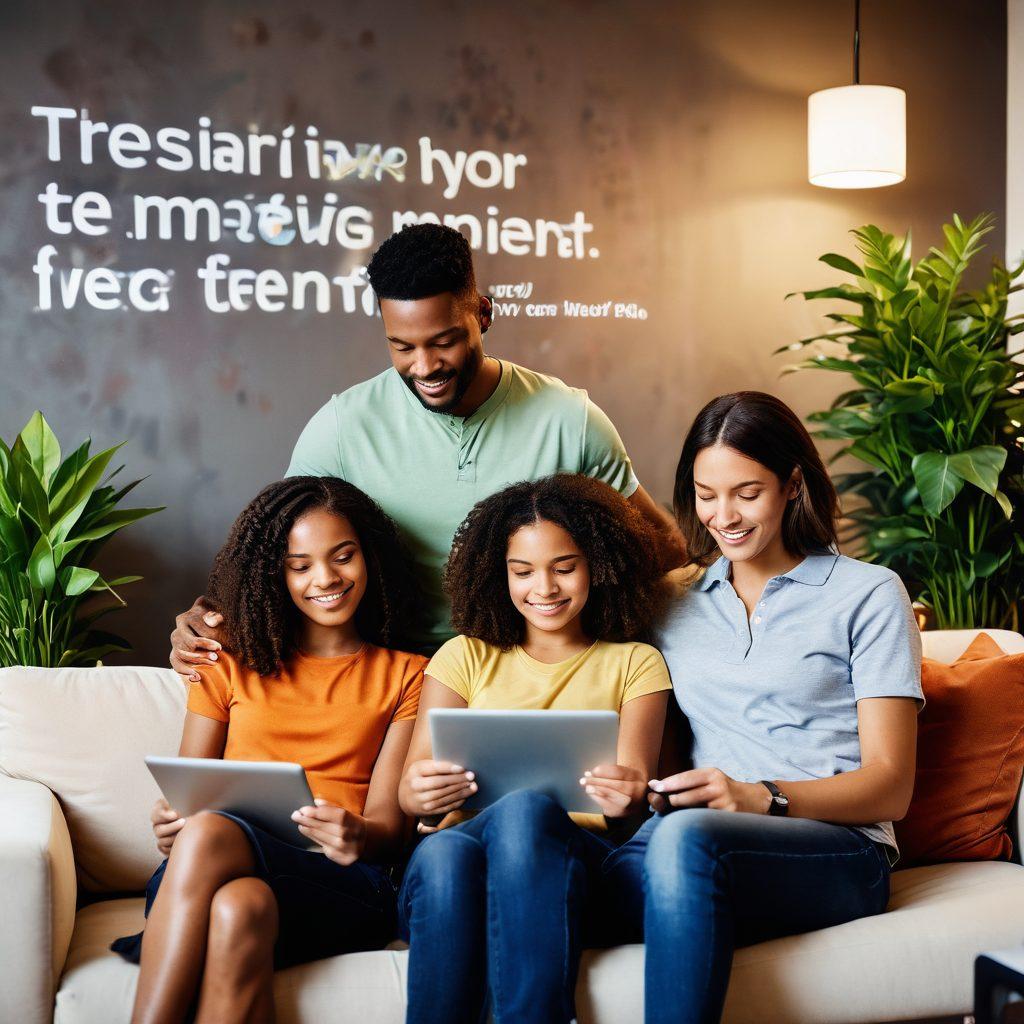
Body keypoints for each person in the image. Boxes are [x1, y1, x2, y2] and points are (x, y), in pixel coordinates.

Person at [170, 224, 685, 674]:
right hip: (397, 672)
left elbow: (663, 548)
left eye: (443, 341)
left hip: (529, 667)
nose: (424, 366)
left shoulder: (569, 420)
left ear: (482, 315)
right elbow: (274, 552)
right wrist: (208, 615)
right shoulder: (343, 426)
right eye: (402, 346)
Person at [606, 391, 922, 1024]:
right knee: (546, 856)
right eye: (706, 494)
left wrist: (765, 796)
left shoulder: (868, 594)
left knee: (687, 843)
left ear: (792, 485)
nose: (724, 516)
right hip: (691, 838)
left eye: (747, 493)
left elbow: (892, 787)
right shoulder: (672, 600)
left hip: (838, 850)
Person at [112, 477, 426, 1024]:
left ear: (369, 558)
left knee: (211, 833)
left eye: (342, 557)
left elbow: (388, 829)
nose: (324, 578)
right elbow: (190, 790)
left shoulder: (408, 675)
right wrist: (171, 825)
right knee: (238, 907)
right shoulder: (225, 660)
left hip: (340, 881)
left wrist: (356, 833)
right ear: (271, 573)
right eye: (298, 565)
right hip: (214, 875)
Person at [397, 474, 673, 1024]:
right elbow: (410, 793)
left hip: (579, 864)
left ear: (599, 564)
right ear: (499, 576)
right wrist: (425, 795)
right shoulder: (462, 656)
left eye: (564, 568)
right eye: (522, 572)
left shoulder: (636, 663)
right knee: (446, 851)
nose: (543, 588)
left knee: (524, 809)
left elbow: (634, 801)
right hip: (455, 859)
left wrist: (627, 799)